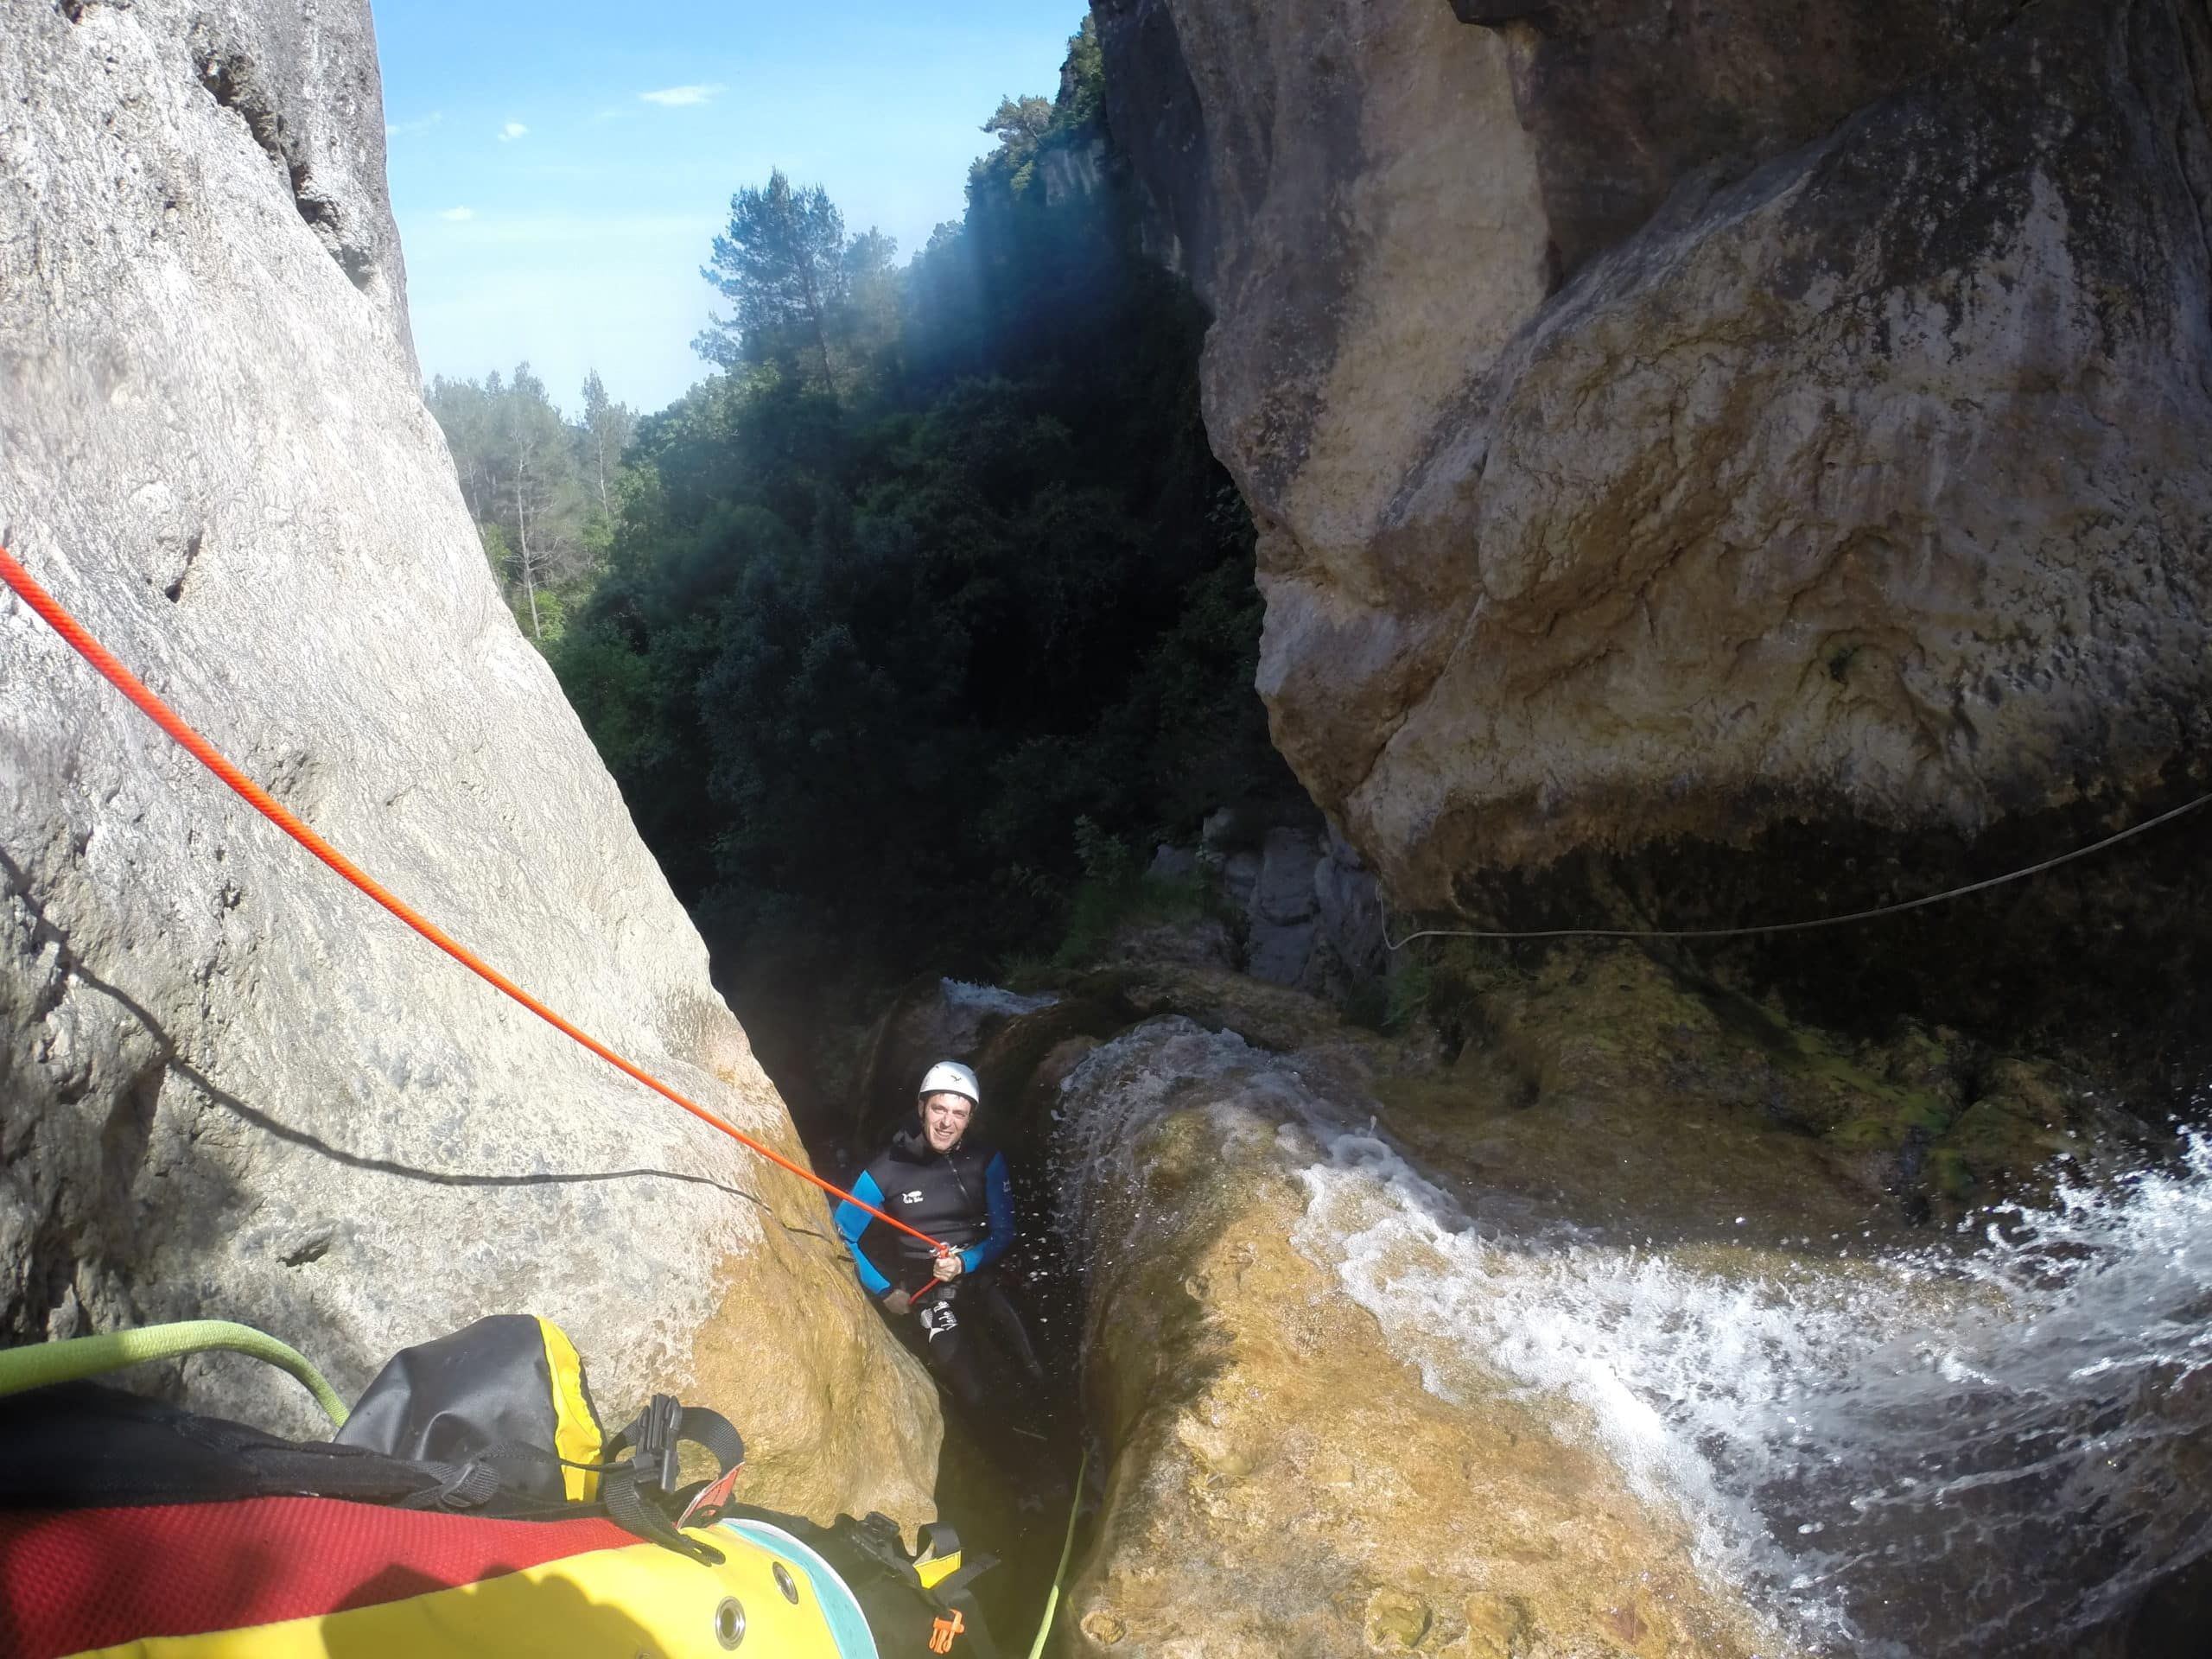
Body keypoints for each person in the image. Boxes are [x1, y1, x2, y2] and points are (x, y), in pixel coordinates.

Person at [835, 1060, 1043, 1412]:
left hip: (980, 1274)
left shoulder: (985, 1161)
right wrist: (885, 1291)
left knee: (1034, 1367)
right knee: (973, 1394)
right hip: (928, 1292)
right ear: (921, 1108)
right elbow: (843, 1236)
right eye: (939, 1109)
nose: (947, 1123)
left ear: (970, 1118)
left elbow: (1004, 1231)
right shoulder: (885, 1172)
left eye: (959, 1114)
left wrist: (965, 1262)